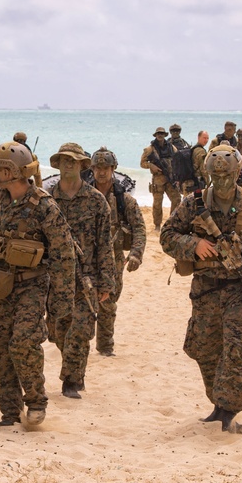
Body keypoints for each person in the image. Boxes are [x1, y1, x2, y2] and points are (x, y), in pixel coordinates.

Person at [159, 145, 242, 434]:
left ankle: (229, 410)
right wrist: (194, 245)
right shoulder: (193, 204)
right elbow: (167, 236)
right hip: (205, 289)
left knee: (235, 349)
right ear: (209, 175)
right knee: (203, 349)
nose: (223, 181)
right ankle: (217, 404)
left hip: (241, 290)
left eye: (228, 175)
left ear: (239, 172)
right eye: (218, 176)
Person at [0, 141, 75, 426]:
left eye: (1, 168)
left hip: (31, 286)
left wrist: (60, 300)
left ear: (15, 171)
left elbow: (64, 256)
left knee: (23, 343)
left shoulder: (44, 207)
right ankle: (9, 412)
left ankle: (36, 402)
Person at [47, 143, 115, 398]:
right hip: (54, 278)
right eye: (64, 160)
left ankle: (72, 382)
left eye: (73, 161)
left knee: (80, 330)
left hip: (86, 278)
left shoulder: (97, 201)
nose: (68, 165)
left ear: (81, 166)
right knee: (58, 332)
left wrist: (106, 282)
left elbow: (105, 244)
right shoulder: (47, 199)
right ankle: (76, 371)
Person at [90, 147, 146, 356]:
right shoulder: (84, 195)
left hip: (114, 259)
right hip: (87, 257)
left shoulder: (124, 199)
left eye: (106, 167)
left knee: (109, 302)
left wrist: (136, 254)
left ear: (113, 168)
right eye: (97, 167)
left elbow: (139, 227)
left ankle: (105, 347)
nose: (101, 172)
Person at [140, 127, 181, 232]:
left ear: (165, 135)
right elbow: (142, 163)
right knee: (157, 203)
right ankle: (157, 225)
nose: (160, 135)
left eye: (162, 133)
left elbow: (177, 160)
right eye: (158, 133)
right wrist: (151, 166)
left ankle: (172, 222)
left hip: (170, 178)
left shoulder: (171, 147)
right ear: (155, 135)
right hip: (158, 179)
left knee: (176, 199)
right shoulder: (150, 149)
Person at [181, 130, 210, 194]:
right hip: (195, 182)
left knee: (187, 202)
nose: (206, 140)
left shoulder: (193, 149)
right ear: (198, 137)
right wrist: (208, 183)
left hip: (187, 181)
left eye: (207, 138)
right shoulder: (201, 151)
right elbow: (204, 169)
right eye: (204, 138)